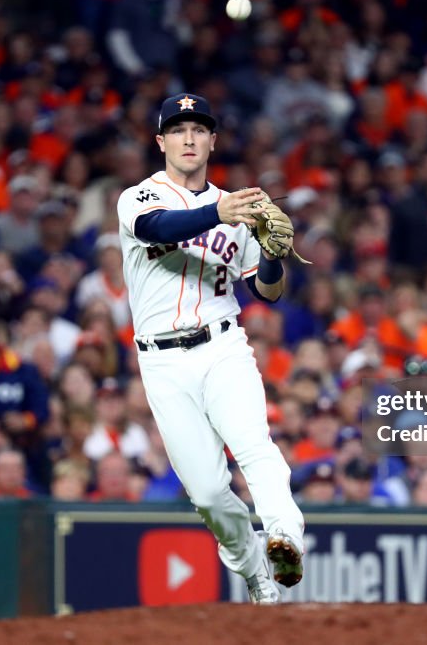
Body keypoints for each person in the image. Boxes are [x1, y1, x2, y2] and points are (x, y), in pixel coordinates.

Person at [115, 93, 304, 605]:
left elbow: (267, 290)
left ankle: (285, 536)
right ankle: (253, 571)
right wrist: (218, 211)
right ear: (161, 142)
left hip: (223, 346)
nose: (190, 137)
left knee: (254, 445)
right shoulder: (138, 198)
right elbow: (160, 229)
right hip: (161, 361)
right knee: (206, 492)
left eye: (199, 129)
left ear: (213, 140)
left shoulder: (237, 209)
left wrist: (270, 253)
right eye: (178, 130)